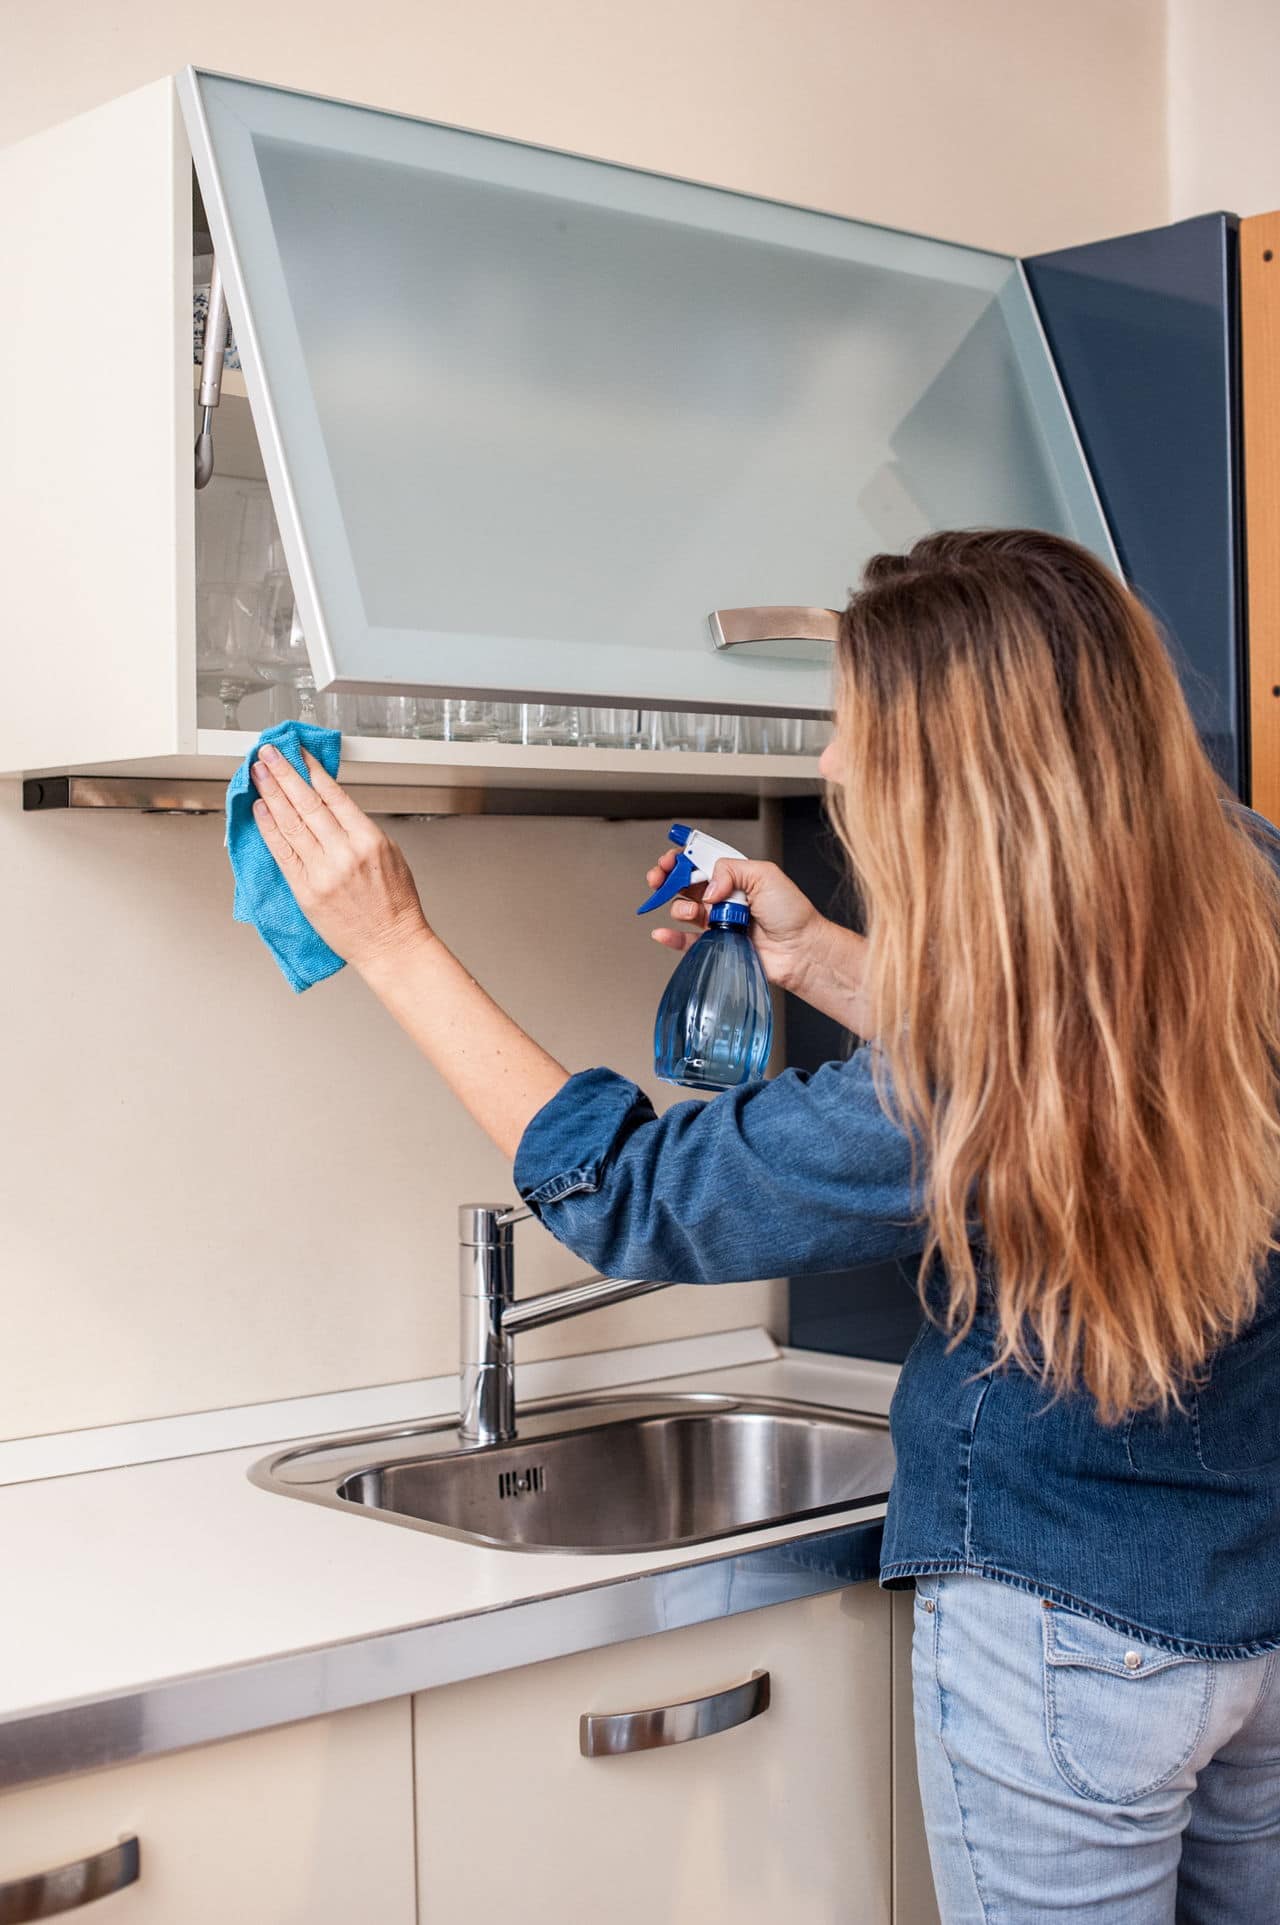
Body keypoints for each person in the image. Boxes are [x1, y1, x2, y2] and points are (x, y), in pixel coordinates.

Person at [248, 529, 1280, 1923]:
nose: (838, 769)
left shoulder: (951, 1081)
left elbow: (628, 1189)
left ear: (956, 775)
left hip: (1065, 1654)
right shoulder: (1245, 898)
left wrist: (394, 942)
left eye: (859, 733)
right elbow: (1059, 1070)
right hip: (1251, 1624)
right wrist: (813, 956)